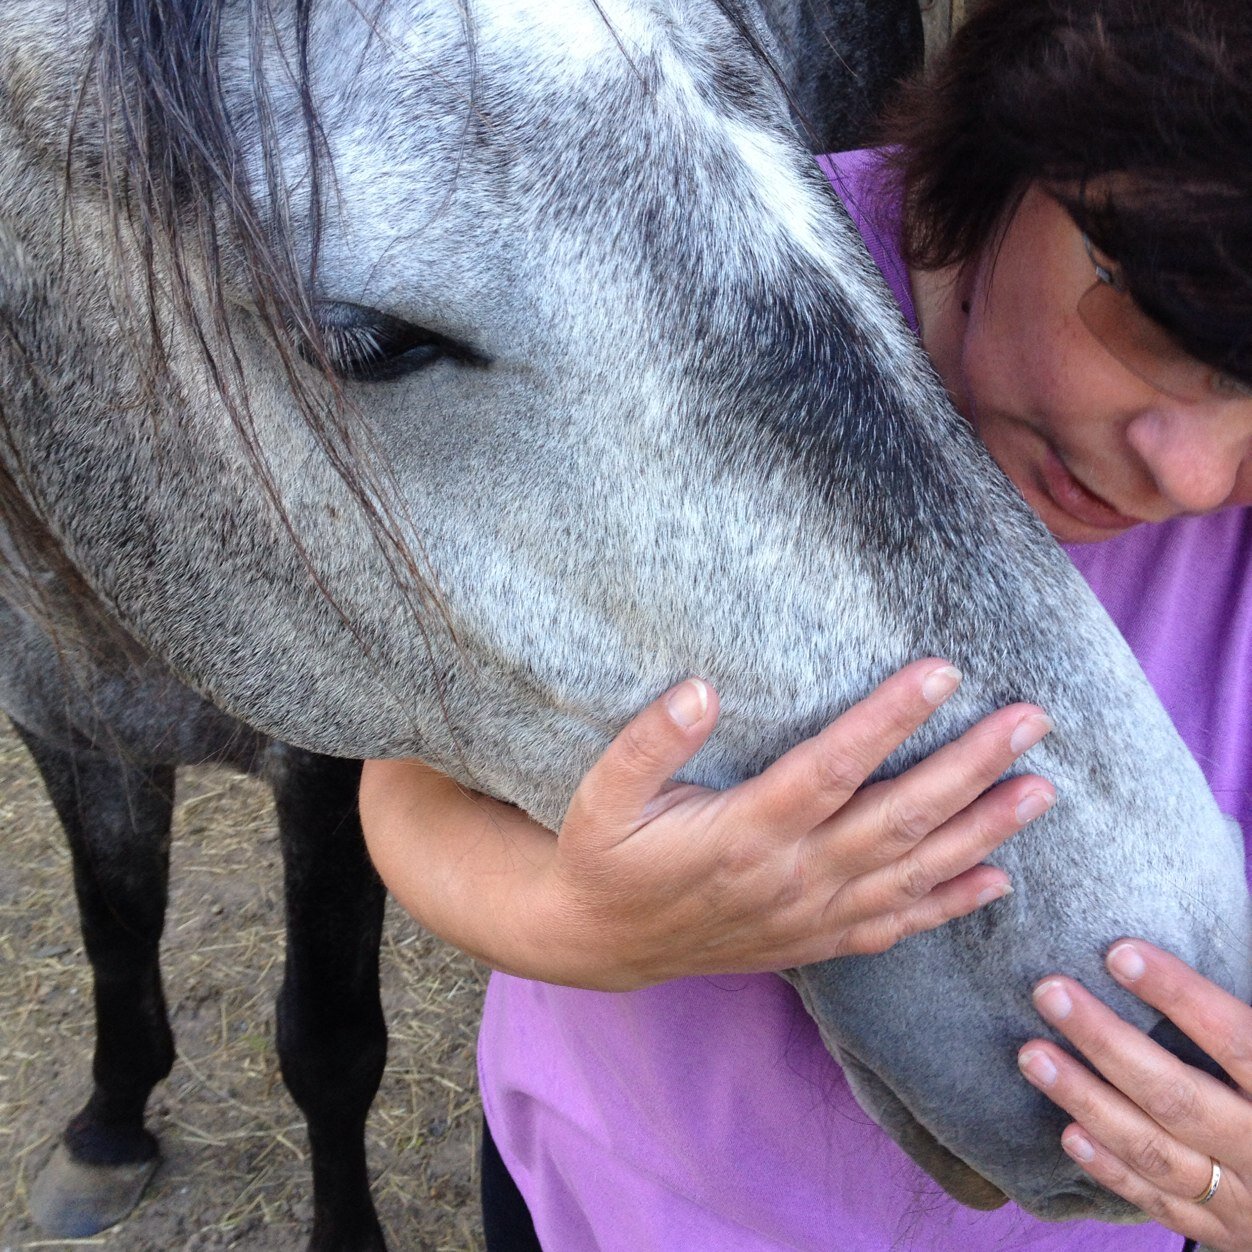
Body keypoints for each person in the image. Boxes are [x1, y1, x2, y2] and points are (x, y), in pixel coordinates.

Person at [360, 0, 1252, 1247]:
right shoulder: (655, 292)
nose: (1197, 475)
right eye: (1161, 332)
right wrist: (586, 922)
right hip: (625, 1199)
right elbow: (404, 781)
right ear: (1017, 145)